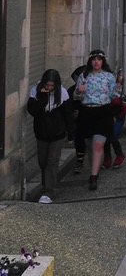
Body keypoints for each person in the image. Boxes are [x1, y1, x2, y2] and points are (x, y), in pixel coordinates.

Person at [27, 69, 75, 204]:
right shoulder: (35, 91)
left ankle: (49, 191)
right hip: (41, 133)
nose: (49, 88)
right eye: (47, 85)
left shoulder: (63, 93)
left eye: (52, 86)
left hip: (58, 133)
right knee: (42, 161)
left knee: (52, 161)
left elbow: (68, 115)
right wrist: (42, 97)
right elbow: (32, 111)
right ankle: (46, 184)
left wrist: (71, 134)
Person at [73, 50, 117, 190]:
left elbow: (114, 94)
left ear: (103, 61)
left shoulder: (109, 76)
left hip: (103, 111)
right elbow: (76, 96)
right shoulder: (84, 76)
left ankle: (93, 176)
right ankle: (95, 168)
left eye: (99, 59)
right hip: (86, 112)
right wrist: (79, 90)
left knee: (98, 144)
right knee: (89, 144)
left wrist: (119, 85)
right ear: (90, 61)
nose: (96, 62)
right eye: (94, 59)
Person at [102, 69, 126, 168]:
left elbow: (116, 96)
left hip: (118, 116)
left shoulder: (114, 89)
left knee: (112, 137)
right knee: (105, 137)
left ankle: (120, 155)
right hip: (107, 116)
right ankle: (107, 158)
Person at [68, 66, 87, 174]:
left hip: (92, 117)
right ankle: (80, 161)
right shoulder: (71, 90)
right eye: (75, 79)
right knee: (80, 141)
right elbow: (68, 106)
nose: (77, 81)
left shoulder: (94, 87)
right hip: (78, 120)